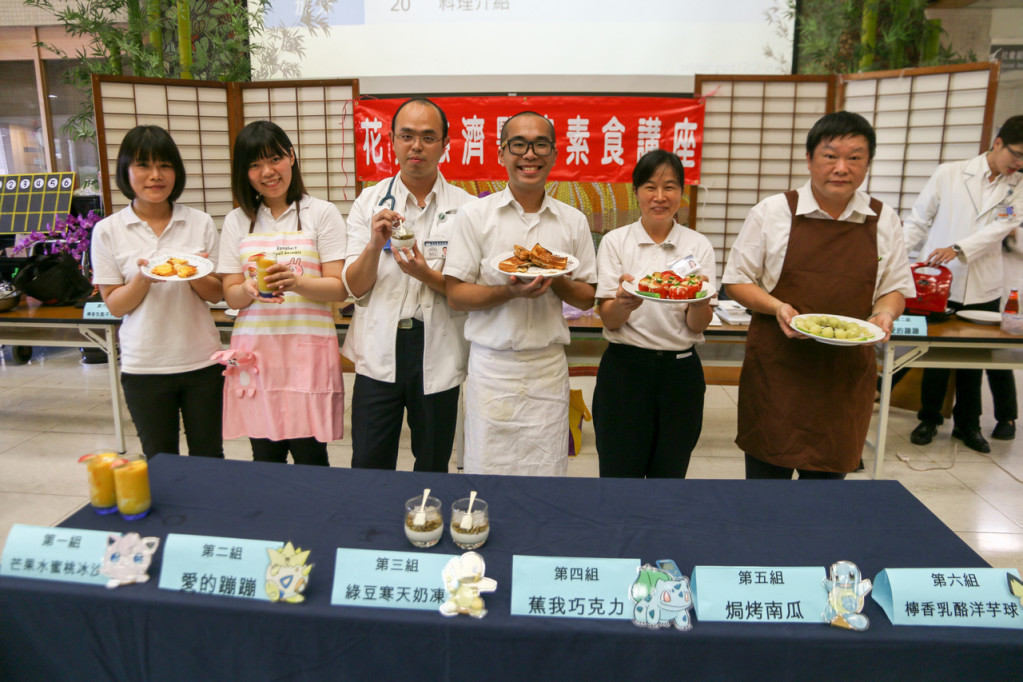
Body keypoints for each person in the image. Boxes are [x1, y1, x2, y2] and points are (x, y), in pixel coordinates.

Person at [722, 111, 915, 480]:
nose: (841, 168)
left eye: (854, 157)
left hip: (843, 377)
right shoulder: (773, 212)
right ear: (809, 159)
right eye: (830, 156)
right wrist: (778, 306)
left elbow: (894, 287)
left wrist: (885, 314)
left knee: (826, 494)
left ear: (868, 163)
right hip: (779, 371)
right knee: (765, 489)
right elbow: (737, 281)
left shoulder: (882, 218)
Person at [444, 111, 597, 476]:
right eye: (519, 145)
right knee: (487, 470)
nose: (530, 154)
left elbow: (588, 296)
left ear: (555, 154)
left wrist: (557, 279)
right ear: (501, 153)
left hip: (547, 366)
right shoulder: (475, 215)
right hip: (492, 367)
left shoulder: (572, 219)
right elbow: (455, 294)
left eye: (541, 144)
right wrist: (509, 292)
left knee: (546, 470)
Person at [342, 98, 474, 472]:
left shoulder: (466, 209)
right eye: (408, 136)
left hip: (438, 348)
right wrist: (373, 243)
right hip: (379, 348)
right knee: (368, 461)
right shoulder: (369, 201)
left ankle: (424, 527)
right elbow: (354, 288)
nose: (417, 146)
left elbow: (465, 292)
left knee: (432, 461)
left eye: (429, 137)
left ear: (445, 145)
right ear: (392, 140)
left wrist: (425, 274)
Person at [216, 121, 347, 466]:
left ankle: (315, 520)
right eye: (255, 164)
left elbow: (338, 287)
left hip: (307, 350)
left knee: (310, 454)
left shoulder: (321, 213)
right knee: (265, 454)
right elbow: (230, 295)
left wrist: (296, 281)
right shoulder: (237, 221)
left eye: (274, 159)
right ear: (244, 173)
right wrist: (246, 289)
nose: (267, 172)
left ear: (292, 157)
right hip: (257, 354)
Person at [90, 125, 225, 458]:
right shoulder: (108, 231)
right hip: (144, 366)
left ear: (176, 172)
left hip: (202, 363)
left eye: (164, 165)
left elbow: (216, 294)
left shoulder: (200, 222)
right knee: (159, 458)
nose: (155, 175)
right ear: (126, 172)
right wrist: (143, 278)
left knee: (209, 456)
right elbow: (115, 307)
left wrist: (192, 271)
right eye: (143, 166)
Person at [592, 149, 715, 478]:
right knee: (619, 473)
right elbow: (610, 319)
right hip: (625, 370)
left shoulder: (698, 244)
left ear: (682, 193)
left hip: (681, 373)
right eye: (650, 187)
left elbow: (697, 324)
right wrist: (623, 303)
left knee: (670, 475)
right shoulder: (616, 242)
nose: (660, 197)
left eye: (670, 187)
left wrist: (701, 301)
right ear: (636, 192)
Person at [904, 115, 1023, 453]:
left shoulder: (1018, 186)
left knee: (973, 359)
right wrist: (897, 260)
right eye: (1016, 154)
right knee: (935, 354)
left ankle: (968, 425)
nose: (1019, 163)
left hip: (984, 283)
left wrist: (958, 249)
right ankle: (928, 419)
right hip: (939, 281)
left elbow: (999, 230)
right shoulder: (950, 173)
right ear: (997, 142)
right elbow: (919, 218)